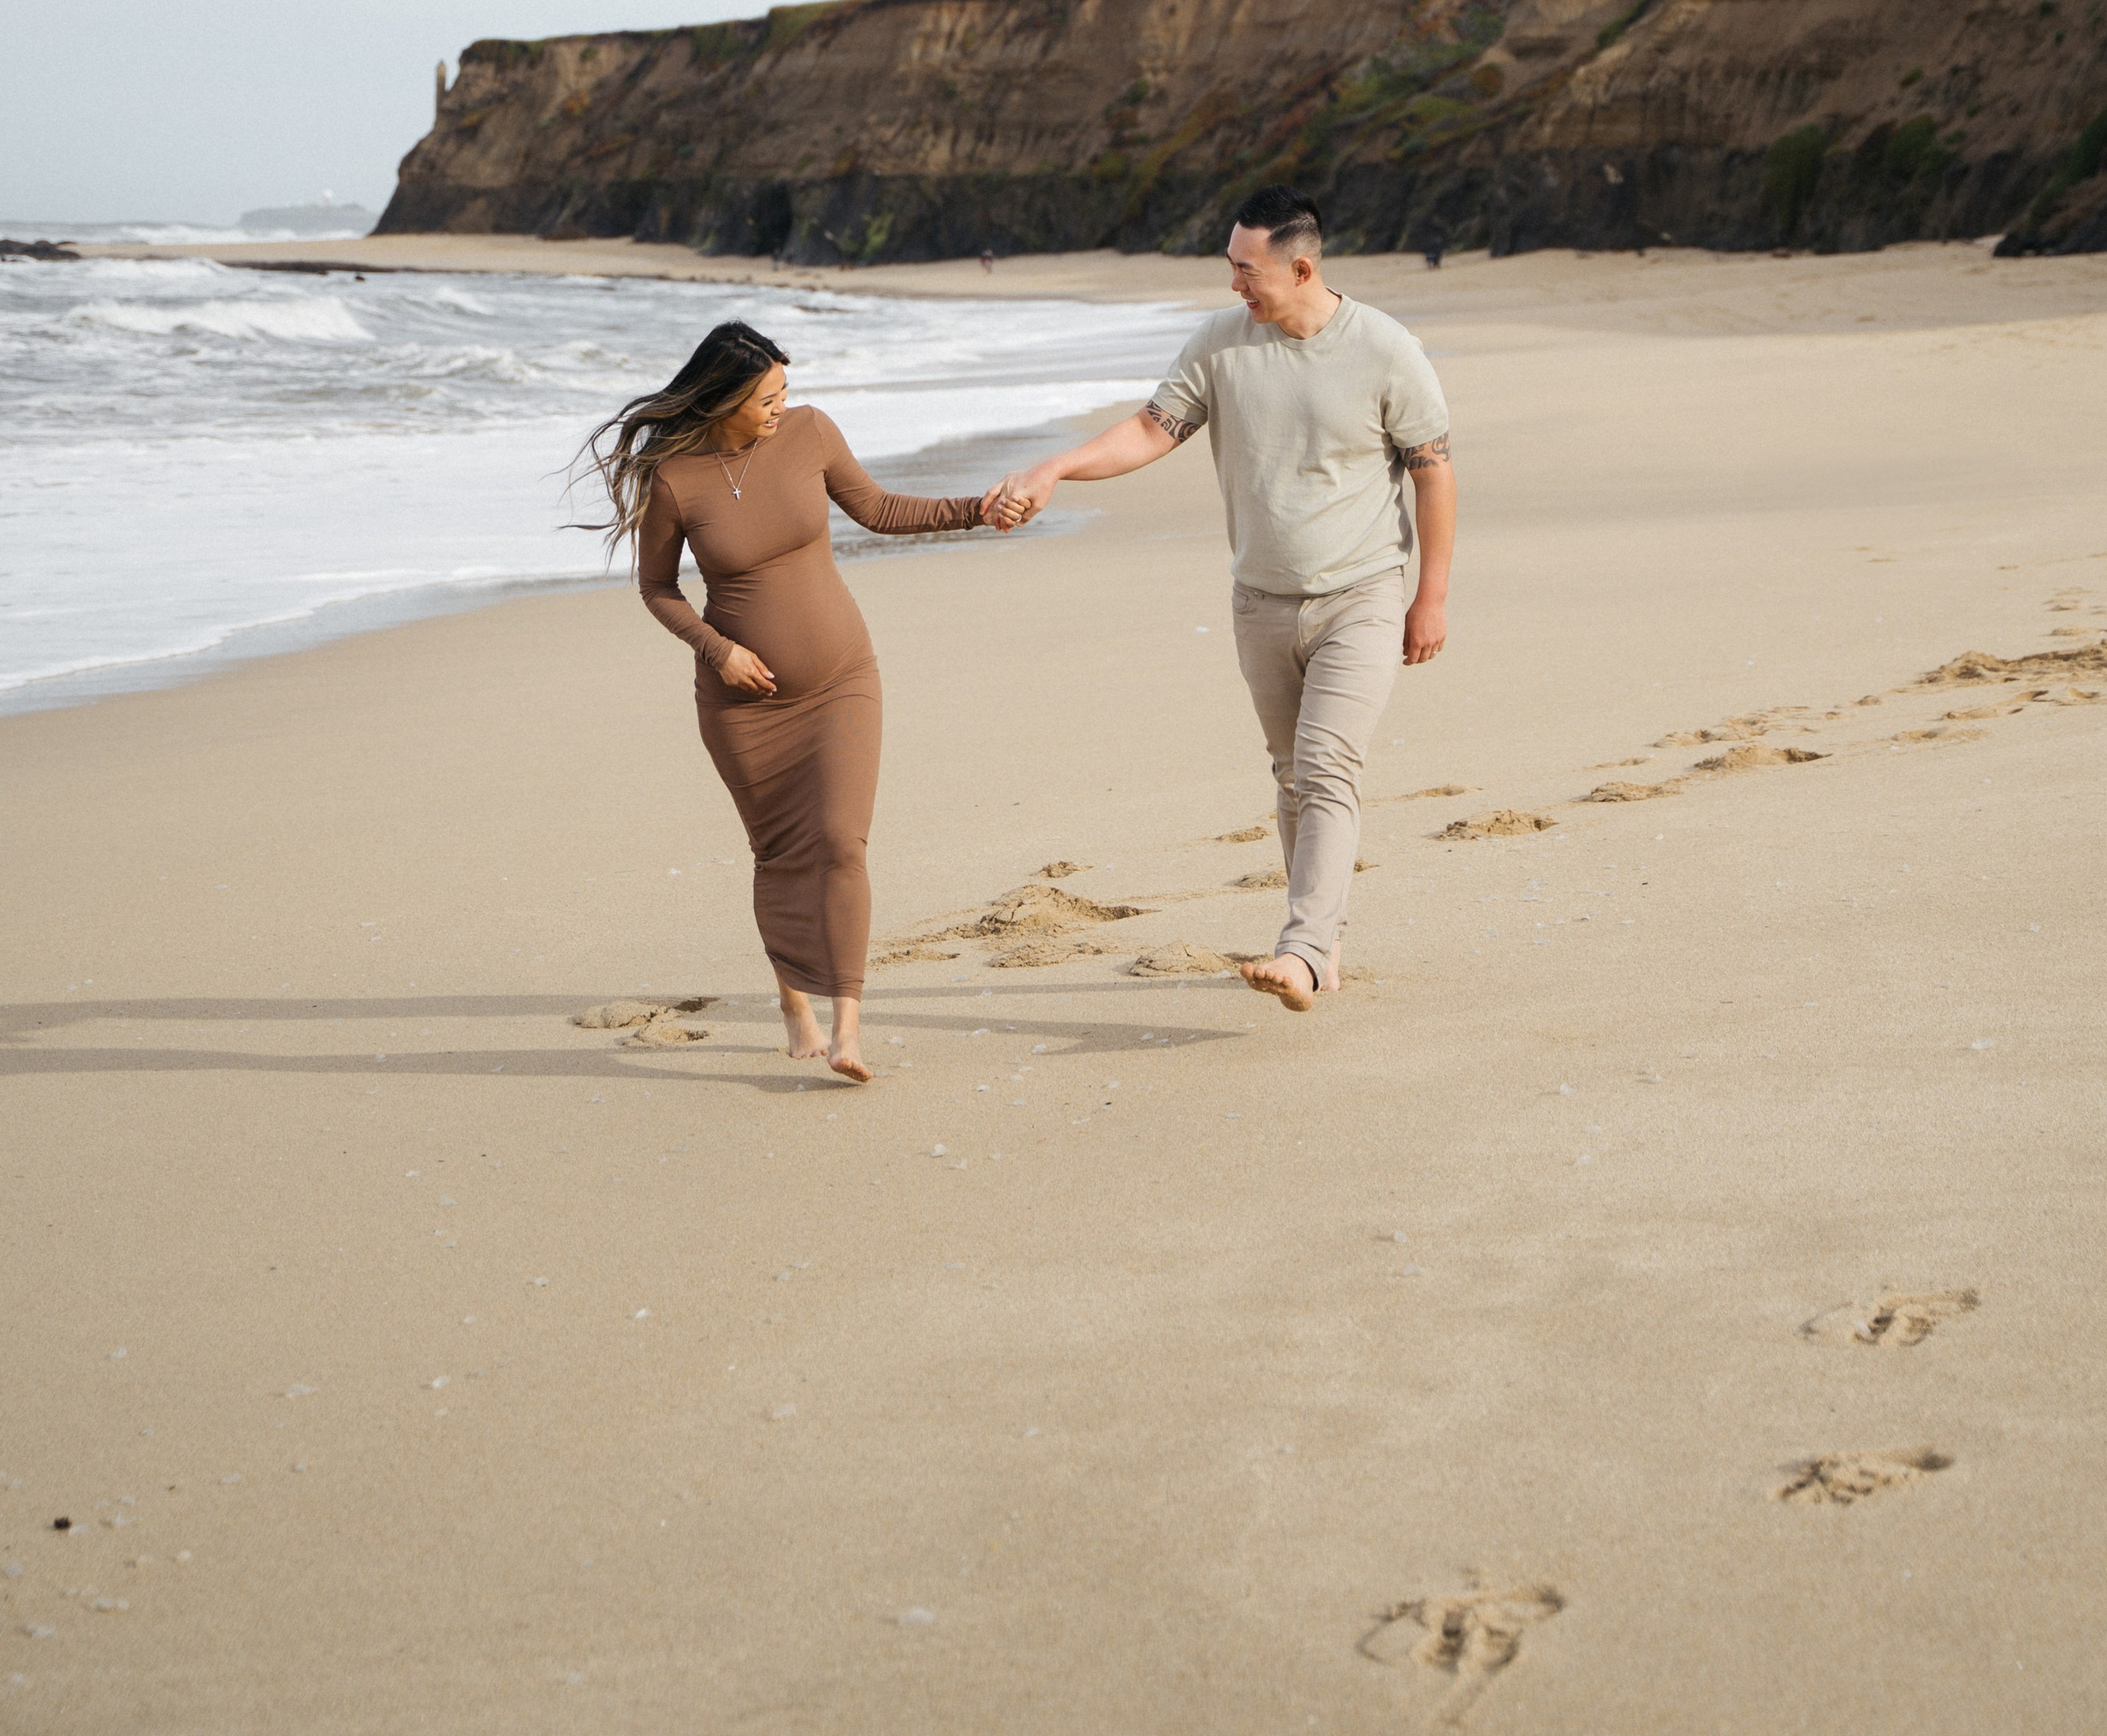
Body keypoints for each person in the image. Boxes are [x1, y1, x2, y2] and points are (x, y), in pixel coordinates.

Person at [999, 186, 1454, 1012]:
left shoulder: (1386, 350)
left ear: (1302, 266)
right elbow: (1148, 430)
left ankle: (1304, 948)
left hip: (1364, 595)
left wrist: (1433, 597)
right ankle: (1326, 946)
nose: (1235, 285)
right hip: (1260, 602)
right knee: (1292, 776)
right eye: (1231, 267)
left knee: (1325, 764)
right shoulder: (1220, 343)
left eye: (1248, 271)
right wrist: (1054, 468)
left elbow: (1434, 472)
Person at [579, 322, 1028, 1081]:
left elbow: (879, 510)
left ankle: (848, 1024)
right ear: (723, 399)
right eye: (766, 398)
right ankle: (796, 1002)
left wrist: (975, 509)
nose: (781, 407)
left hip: (842, 678)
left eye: (785, 391)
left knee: (840, 840)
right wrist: (718, 650)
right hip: (742, 705)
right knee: (782, 853)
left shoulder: (811, 433)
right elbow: (657, 588)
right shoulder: (678, 479)